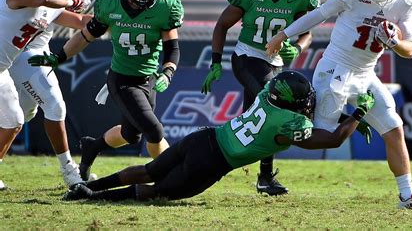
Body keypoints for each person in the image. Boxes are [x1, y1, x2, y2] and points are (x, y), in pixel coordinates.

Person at [266, 0, 412, 211]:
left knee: (394, 127)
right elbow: (321, 13)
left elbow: (411, 49)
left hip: (365, 74)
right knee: (323, 136)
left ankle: (408, 197)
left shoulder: (405, 0)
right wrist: (284, 34)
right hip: (334, 69)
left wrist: (393, 42)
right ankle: (270, 134)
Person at [63, 71, 375, 202]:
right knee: (157, 192)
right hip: (213, 161)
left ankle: (86, 187)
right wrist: (358, 114)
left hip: (206, 137)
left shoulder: (268, 95)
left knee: (149, 169)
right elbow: (333, 139)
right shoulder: (288, 122)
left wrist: (348, 118)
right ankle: (96, 198)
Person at [28, 0, 184, 183]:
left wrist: (167, 72)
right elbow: (85, 36)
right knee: (154, 131)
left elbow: (172, 47)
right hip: (122, 79)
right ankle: (173, 176)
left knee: (131, 135)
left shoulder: (166, 6)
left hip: (148, 78)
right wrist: (59, 56)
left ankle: (92, 146)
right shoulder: (110, 4)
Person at [201, 0, 319, 196]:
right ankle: (262, 175)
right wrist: (215, 62)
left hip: (274, 62)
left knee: (252, 120)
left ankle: (210, 147)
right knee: (272, 107)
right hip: (247, 55)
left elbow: (307, 34)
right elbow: (222, 25)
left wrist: (298, 48)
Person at [0, 0, 91, 188]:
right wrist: (73, 1)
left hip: (5, 66)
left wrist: (106, 16)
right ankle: (69, 172)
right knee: (31, 112)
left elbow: (75, 18)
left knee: (17, 118)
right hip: (17, 57)